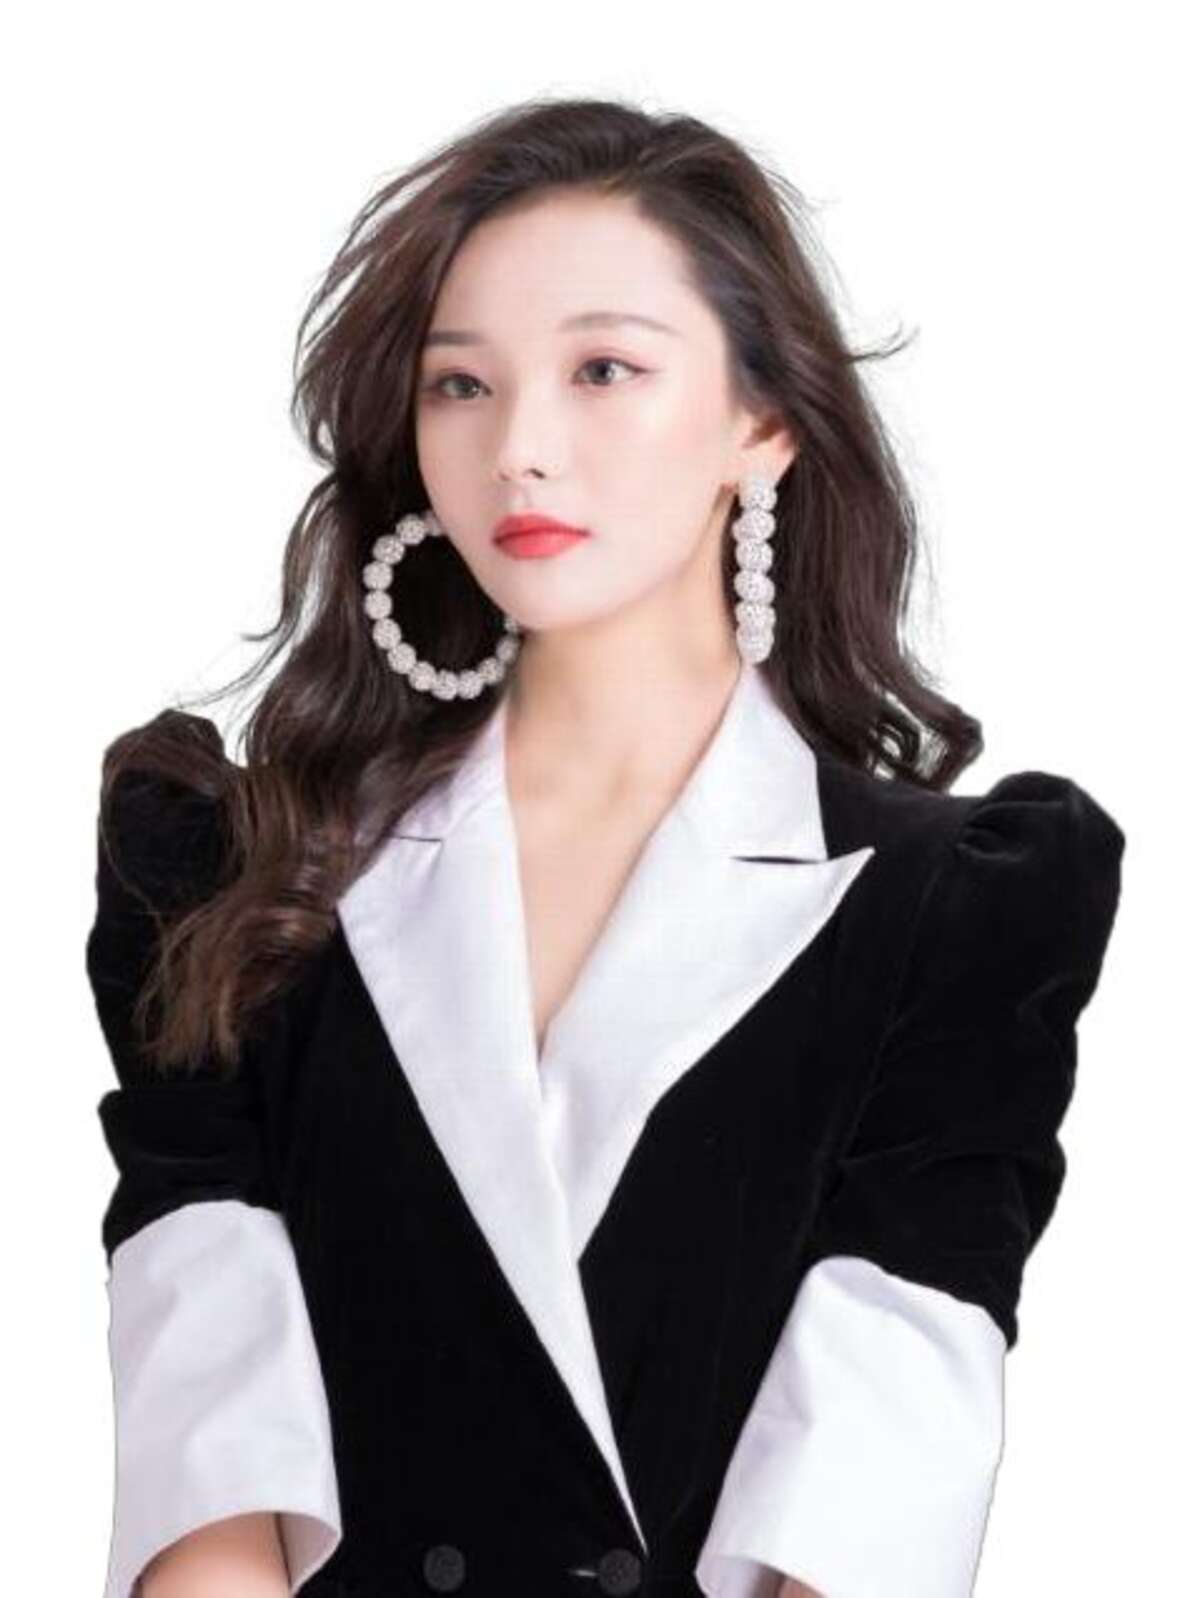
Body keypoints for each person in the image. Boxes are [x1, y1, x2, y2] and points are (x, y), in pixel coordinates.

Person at [85, 97, 1126, 1598]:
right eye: (461, 384)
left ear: (763, 423)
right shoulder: (238, 871)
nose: (519, 449)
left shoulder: (954, 907)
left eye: (603, 370)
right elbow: (207, 1445)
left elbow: (879, 1453)